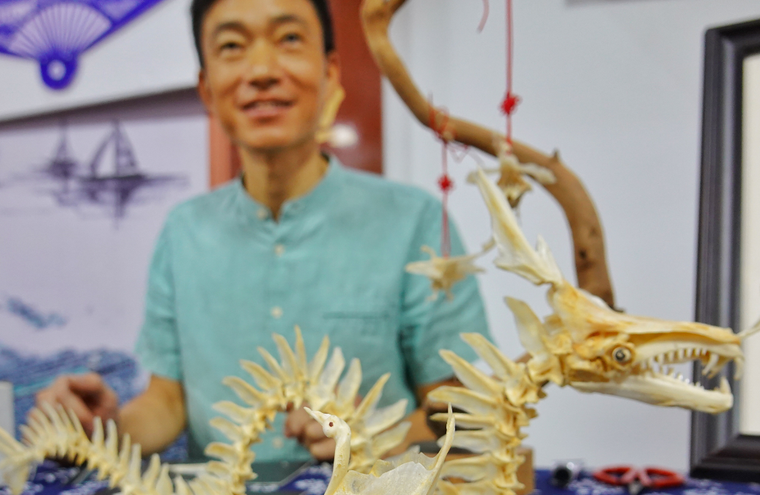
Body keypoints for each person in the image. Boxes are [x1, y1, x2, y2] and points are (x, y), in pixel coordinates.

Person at [36, 0, 491, 462]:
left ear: (330, 72)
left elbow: (462, 413)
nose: (261, 71)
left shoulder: (414, 221)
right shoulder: (183, 230)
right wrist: (98, 429)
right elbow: (167, 402)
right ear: (207, 88)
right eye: (232, 46)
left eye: (289, 38)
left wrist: (380, 432)